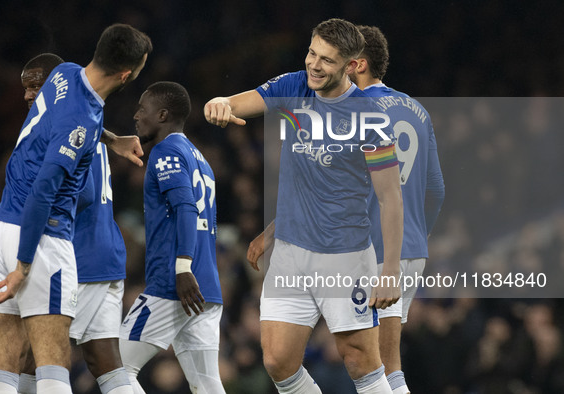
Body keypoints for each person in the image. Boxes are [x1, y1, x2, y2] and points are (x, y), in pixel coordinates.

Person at [207, 18, 403, 394]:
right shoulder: (293, 85)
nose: (314, 64)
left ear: (350, 66)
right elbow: (238, 103)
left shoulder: (371, 117)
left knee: (359, 359)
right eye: (312, 53)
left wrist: (391, 269)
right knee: (278, 361)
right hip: (291, 254)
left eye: (327, 60)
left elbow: (389, 197)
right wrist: (218, 103)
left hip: (344, 255)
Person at [0, 24, 151, 394]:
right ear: (128, 74)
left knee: (8, 355)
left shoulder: (64, 72)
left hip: (1, 224)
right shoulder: (82, 122)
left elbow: (74, 116)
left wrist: (112, 140)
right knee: (52, 357)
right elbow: (46, 187)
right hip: (41, 234)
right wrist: (24, 264)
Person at [18, 53, 141, 394]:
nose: (30, 95)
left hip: (79, 260)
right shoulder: (85, 123)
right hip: (104, 256)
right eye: (26, 88)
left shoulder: (68, 131)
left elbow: (80, 192)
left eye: (37, 87)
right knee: (105, 362)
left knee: (34, 356)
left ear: (59, 87)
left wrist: (23, 227)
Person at [349, 25, 445, 394]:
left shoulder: (357, 110)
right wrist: (422, 232)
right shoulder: (417, 110)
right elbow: (436, 188)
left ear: (357, 64)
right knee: (380, 365)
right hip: (412, 249)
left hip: (375, 249)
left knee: (378, 368)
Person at [119, 81, 225, 394]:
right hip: (206, 287)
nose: (137, 116)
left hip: (174, 284)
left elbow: (185, 208)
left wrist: (182, 268)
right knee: (207, 383)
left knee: (114, 370)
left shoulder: (166, 151)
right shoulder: (199, 158)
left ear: (163, 114)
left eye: (143, 108)